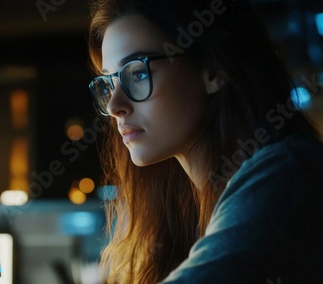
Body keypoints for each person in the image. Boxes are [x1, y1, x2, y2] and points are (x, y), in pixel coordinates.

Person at [86, 0, 323, 283]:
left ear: (213, 69)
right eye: (109, 83)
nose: (114, 105)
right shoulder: (184, 214)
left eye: (138, 73)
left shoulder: (286, 173)